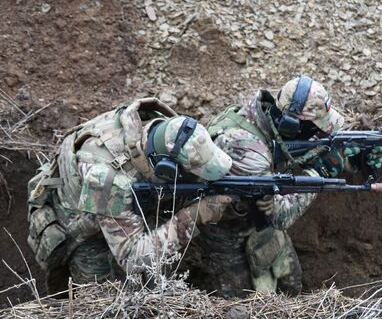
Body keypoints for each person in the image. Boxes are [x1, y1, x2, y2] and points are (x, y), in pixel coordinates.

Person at [187, 75, 382, 297]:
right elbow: (282, 216)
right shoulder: (245, 146)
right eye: (314, 128)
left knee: (291, 284)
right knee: (245, 304)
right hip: (226, 229)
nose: (318, 133)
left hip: (260, 213)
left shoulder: (267, 119)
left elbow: (299, 149)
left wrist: (350, 153)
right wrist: (322, 170)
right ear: (292, 126)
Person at [26, 98, 233, 294]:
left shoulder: (164, 129)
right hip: (84, 226)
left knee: (160, 282)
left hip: (123, 201)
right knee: (102, 301)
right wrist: (191, 217)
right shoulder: (106, 179)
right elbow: (132, 258)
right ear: (166, 170)